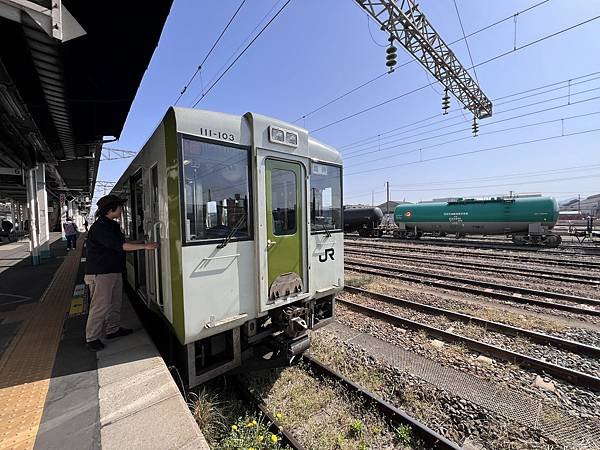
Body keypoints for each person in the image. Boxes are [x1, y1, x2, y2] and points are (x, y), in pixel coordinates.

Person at [84, 194, 159, 351]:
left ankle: (112, 330)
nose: (122, 210)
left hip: (113, 271)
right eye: (120, 207)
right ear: (111, 209)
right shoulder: (100, 227)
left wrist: (142, 242)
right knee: (100, 306)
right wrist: (145, 247)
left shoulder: (111, 225)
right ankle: (92, 338)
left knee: (115, 303)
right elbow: (120, 246)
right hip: (101, 273)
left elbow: (121, 243)